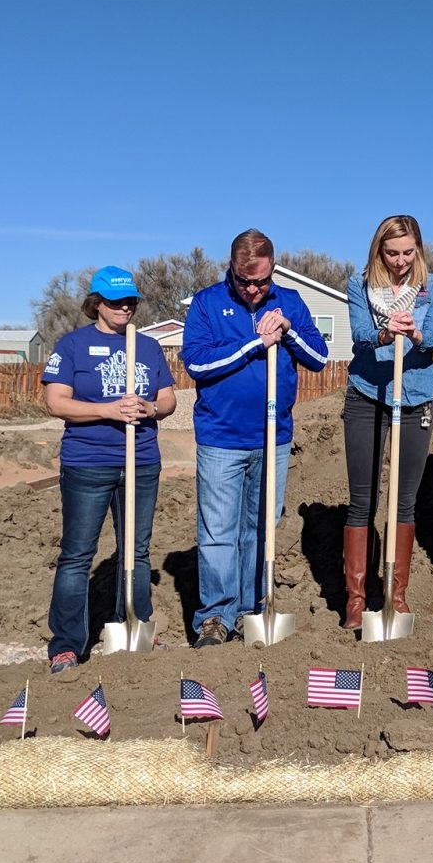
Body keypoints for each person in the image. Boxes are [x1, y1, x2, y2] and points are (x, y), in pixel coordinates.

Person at [182, 229, 329, 648]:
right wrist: (255, 343)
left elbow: (319, 358)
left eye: (261, 282)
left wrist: (288, 330)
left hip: (273, 438)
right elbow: (196, 363)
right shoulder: (207, 303)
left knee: (261, 528)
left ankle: (252, 608)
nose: (252, 289)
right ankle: (216, 616)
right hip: (221, 438)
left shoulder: (290, 302)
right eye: (244, 281)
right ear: (230, 268)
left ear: (273, 270)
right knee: (218, 531)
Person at [41, 265, 177, 675]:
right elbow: (56, 402)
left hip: (141, 462)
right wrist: (108, 410)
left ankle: (134, 624)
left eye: (130, 301)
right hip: (88, 463)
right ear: (96, 304)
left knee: (136, 551)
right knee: (77, 555)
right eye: (116, 302)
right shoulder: (73, 345)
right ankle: (67, 645)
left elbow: (168, 400)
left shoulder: (147, 347)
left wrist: (150, 408)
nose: (125, 308)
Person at [340, 215, 433, 629]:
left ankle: (396, 595)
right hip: (368, 392)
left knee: (404, 500)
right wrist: (386, 333)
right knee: (362, 499)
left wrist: (415, 334)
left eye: (408, 252)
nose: (401, 261)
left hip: (415, 396)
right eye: (392, 253)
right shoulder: (360, 284)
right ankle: (356, 600)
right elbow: (360, 334)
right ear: (378, 251)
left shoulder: (432, 286)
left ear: (417, 249)